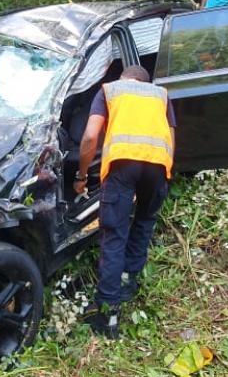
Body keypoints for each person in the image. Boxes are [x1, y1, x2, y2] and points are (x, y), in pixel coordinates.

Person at [73, 65, 175, 338]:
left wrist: (81, 175)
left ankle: (108, 314)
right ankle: (129, 281)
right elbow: (171, 138)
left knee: (114, 234)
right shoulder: (160, 95)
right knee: (144, 221)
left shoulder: (109, 90)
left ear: (123, 79)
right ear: (145, 82)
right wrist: (165, 172)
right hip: (157, 167)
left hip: (122, 166)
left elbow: (91, 136)